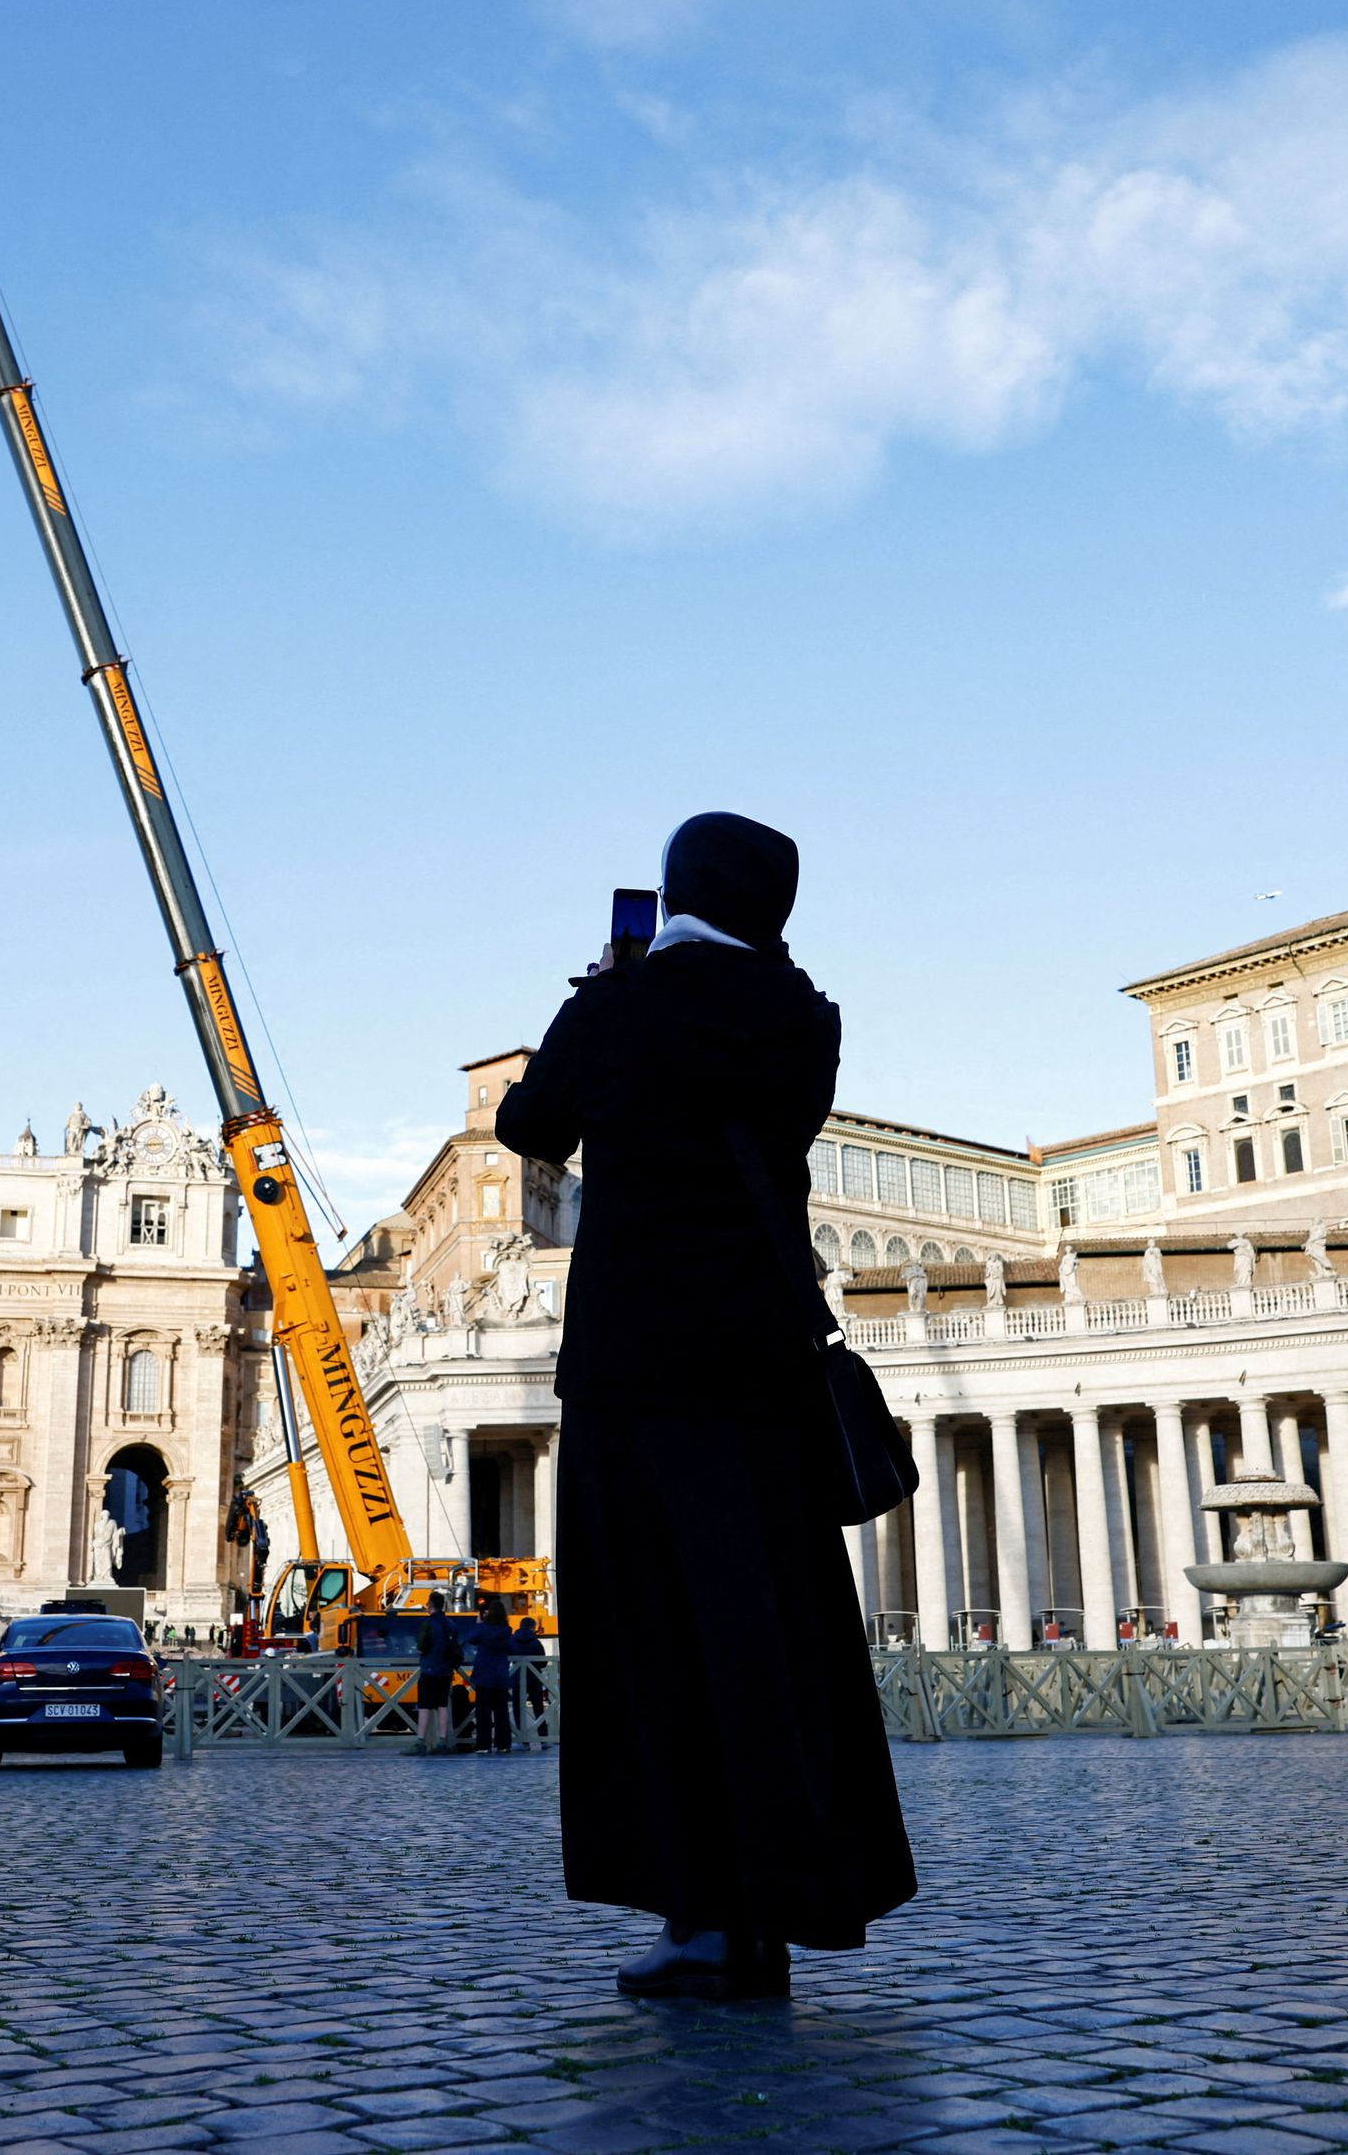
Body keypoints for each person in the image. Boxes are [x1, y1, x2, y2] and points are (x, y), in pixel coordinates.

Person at [495, 810, 915, 2003]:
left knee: (658, 1638)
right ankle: (781, 1908)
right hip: (766, 1367)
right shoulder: (804, 1017)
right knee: (771, 1633)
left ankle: (703, 1920)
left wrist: (600, 992)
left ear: (673, 891)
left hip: (639, 1365)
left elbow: (530, 1126)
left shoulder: (620, 1007)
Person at [467, 1600, 537, 1754]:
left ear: (488, 1613)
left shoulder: (483, 1629)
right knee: (502, 1712)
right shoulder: (506, 1630)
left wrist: (479, 1623)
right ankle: (503, 1744)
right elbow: (511, 1648)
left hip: (484, 1674)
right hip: (501, 1675)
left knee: (483, 1713)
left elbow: (471, 1638)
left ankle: (484, 1745)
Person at [412, 1608, 464, 1755]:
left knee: (424, 1706)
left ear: (430, 1606)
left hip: (429, 1669)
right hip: (446, 1670)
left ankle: (421, 1742)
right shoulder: (451, 1624)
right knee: (443, 1705)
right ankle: (443, 1741)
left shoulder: (428, 1623)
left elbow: (421, 1648)